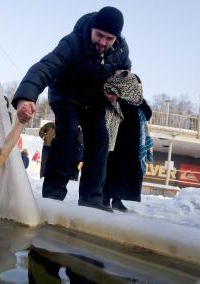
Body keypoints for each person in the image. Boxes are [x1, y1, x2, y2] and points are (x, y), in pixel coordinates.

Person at [12, 7, 131, 212]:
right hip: (65, 93)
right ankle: (53, 192)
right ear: (92, 29)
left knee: (100, 137)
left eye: (109, 38)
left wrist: (118, 90)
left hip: (95, 99)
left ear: (116, 38)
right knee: (67, 131)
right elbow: (45, 67)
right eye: (99, 35)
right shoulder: (73, 42)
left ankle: (92, 198)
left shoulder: (121, 50)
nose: (102, 42)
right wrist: (26, 97)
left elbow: (125, 75)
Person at [101, 70, 153, 212]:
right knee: (111, 169)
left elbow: (148, 114)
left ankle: (117, 199)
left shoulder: (138, 99)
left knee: (123, 172)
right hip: (116, 140)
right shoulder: (114, 95)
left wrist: (139, 101)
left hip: (131, 143)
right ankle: (105, 198)